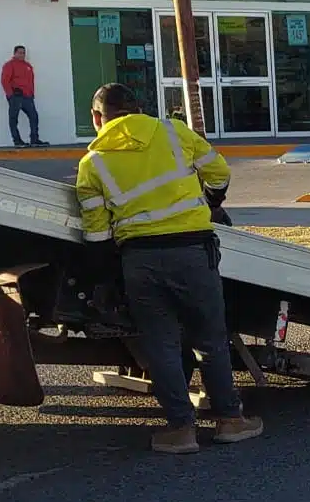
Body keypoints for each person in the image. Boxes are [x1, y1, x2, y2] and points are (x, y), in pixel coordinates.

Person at [75, 84, 263, 456]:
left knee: (160, 344)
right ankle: (230, 421)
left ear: (98, 119)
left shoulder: (92, 163)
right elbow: (219, 172)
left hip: (140, 259)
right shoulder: (173, 132)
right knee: (210, 339)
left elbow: (95, 234)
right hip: (193, 251)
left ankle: (180, 430)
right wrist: (211, 202)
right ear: (139, 109)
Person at [1, 46, 47, 147]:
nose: (22, 55)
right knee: (14, 119)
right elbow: (5, 80)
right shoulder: (9, 65)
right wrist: (10, 95)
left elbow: (30, 81)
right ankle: (17, 141)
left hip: (27, 97)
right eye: (20, 53)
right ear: (15, 53)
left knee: (34, 116)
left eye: (23, 53)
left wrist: (31, 94)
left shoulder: (28, 66)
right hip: (16, 96)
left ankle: (34, 139)